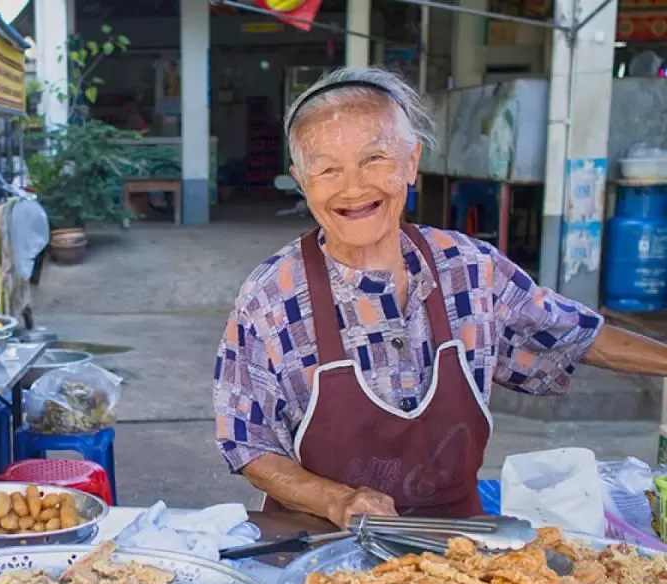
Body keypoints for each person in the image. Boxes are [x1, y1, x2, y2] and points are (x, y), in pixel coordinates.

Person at [213, 66, 667, 527]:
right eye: (328, 169)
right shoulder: (272, 296)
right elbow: (248, 443)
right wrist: (335, 500)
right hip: (318, 543)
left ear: (411, 161)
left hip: (457, 544)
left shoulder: (469, 268)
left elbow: (572, 335)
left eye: (375, 160)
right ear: (302, 180)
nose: (353, 187)